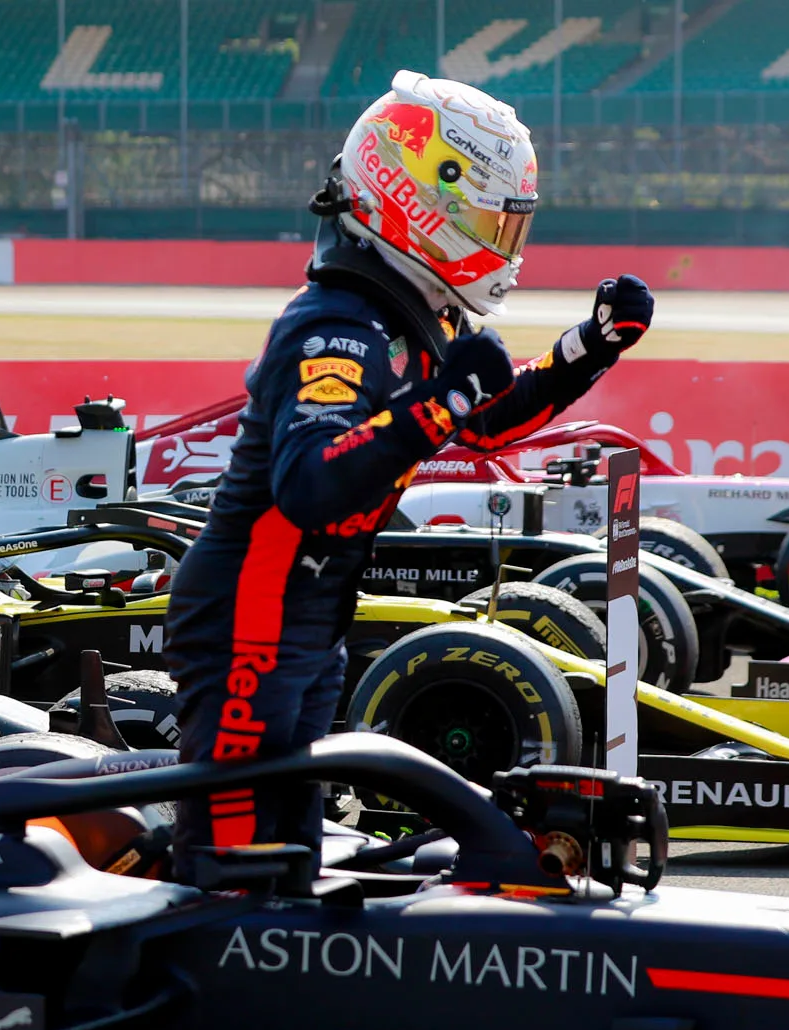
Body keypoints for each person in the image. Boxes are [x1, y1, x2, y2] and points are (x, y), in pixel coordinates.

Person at [163, 70, 655, 873]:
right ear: (427, 202)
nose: (506, 243)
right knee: (236, 855)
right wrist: (441, 400)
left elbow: (487, 422)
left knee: (288, 847)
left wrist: (588, 349)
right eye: (494, 220)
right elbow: (312, 486)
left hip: (304, 620)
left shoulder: (403, 311)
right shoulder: (338, 327)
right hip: (248, 620)